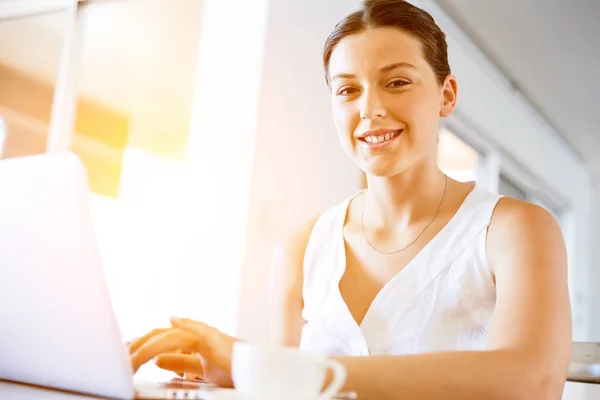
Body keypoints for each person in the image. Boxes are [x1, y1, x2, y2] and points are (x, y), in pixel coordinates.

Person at [128, 0, 572, 398]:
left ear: (446, 95)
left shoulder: (516, 229)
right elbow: (286, 389)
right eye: (347, 90)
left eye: (396, 82)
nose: (369, 109)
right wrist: (241, 374)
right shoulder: (300, 249)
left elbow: (531, 381)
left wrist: (269, 365)